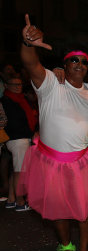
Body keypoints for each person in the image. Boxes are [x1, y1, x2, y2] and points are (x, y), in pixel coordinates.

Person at [18, 14, 88, 251]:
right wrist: (28, 45)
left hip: (82, 161)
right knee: (59, 210)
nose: (79, 64)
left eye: (84, 61)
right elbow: (30, 64)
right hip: (51, 161)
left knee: (87, 210)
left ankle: (84, 249)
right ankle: (67, 248)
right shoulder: (50, 84)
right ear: (64, 65)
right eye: (73, 61)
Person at [1, 74, 38, 211]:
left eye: (20, 84)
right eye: (14, 85)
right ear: (6, 86)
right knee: (20, 171)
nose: (18, 87)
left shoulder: (21, 99)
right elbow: (13, 124)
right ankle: (20, 202)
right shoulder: (6, 101)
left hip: (20, 138)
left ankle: (11, 199)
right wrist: (31, 133)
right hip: (17, 139)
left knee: (16, 170)